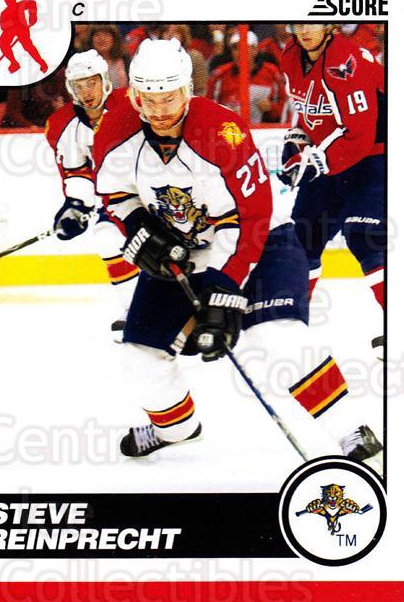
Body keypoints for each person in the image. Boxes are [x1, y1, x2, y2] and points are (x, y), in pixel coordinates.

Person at [91, 38, 382, 466]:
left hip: (262, 243)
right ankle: (175, 427)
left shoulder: (222, 131)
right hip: (186, 252)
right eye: (148, 99)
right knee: (140, 352)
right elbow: (115, 195)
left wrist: (224, 289)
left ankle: (349, 429)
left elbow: (252, 216)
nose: (159, 110)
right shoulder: (115, 132)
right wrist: (137, 228)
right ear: (134, 95)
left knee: (275, 335)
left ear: (187, 90)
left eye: (168, 98)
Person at [279, 24, 385, 358]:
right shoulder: (291, 56)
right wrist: (299, 139)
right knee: (302, 241)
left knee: (365, 236)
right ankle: (290, 325)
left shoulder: (345, 61)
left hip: (375, 155)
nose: (303, 30)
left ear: (329, 24)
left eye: (311, 22)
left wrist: (315, 161)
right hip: (331, 154)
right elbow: (311, 110)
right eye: (297, 23)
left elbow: (361, 133)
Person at [45, 50, 138, 334]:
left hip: (160, 187)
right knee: (106, 238)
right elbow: (77, 173)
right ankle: (136, 310)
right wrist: (77, 207)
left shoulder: (132, 103)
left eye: (91, 83)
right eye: (79, 85)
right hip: (121, 198)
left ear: (105, 80)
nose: (86, 92)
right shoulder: (63, 125)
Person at [208, 30, 287, 123]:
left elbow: (284, 105)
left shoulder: (271, 72)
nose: (239, 52)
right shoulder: (220, 74)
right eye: (235, 48)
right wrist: (224, 111)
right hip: (229, 127)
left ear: (255, 50)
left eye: (244, 48)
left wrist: (271, 108)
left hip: (263, 128)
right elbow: (208, 106)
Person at [0, 0, 47, 74]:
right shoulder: (4, 13)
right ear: (6, 3)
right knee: (2, 42)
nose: (11, 3)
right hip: (10, 31)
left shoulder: (20, 5)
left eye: (12, 1)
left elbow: (32, 3)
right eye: (9, 2)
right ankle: (14, 63)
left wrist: (32, 15)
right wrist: (11, 23)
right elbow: (2, 26)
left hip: (22, 29)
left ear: (15, 0)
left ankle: (42, 64)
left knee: (28, 47)